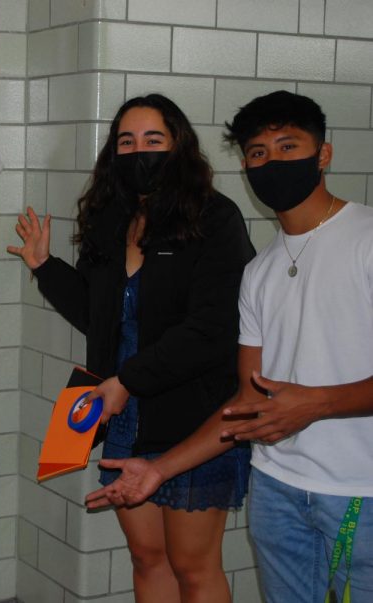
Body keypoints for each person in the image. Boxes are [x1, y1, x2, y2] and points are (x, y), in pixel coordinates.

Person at [86, 91, 373, 603]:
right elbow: (244, 402)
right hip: (276, 486)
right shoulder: (260, 272)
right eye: (258, 154)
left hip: (358, 492)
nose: (272, 163)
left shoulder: (366, 240)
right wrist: (157, 469)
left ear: (323, 154)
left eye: (288, 147)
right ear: (245, 166)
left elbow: (204, 337)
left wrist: (320, 402)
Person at [8, 94, 254, 603]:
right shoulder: (110, 218)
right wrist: (44, 266)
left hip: (193, 416)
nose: (138, 150)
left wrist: (128, 381)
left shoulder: (215, 218)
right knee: (147, 558)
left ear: (178, 144)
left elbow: (212, 328)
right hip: (123, 416)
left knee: (193, 566)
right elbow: (102, 319)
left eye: (153, 139)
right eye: (127, 141)